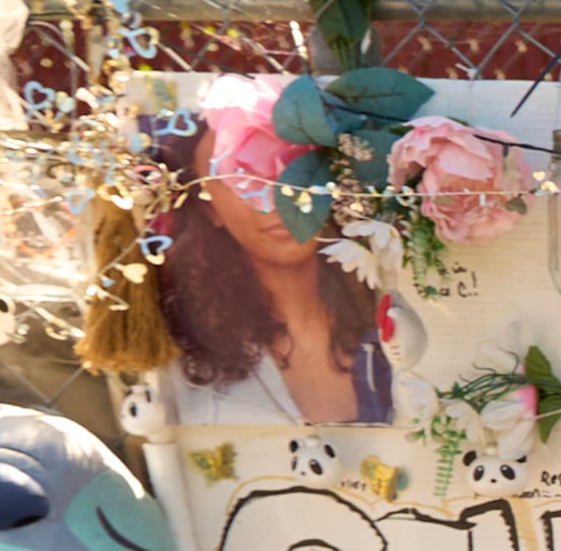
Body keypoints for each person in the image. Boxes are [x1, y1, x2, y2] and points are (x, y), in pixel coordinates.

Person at [153, 76, 393, 426]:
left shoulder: (390, 319)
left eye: (289, 166)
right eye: (242, 179)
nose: (275, 200)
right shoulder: (183, 359)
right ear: (210, 210)